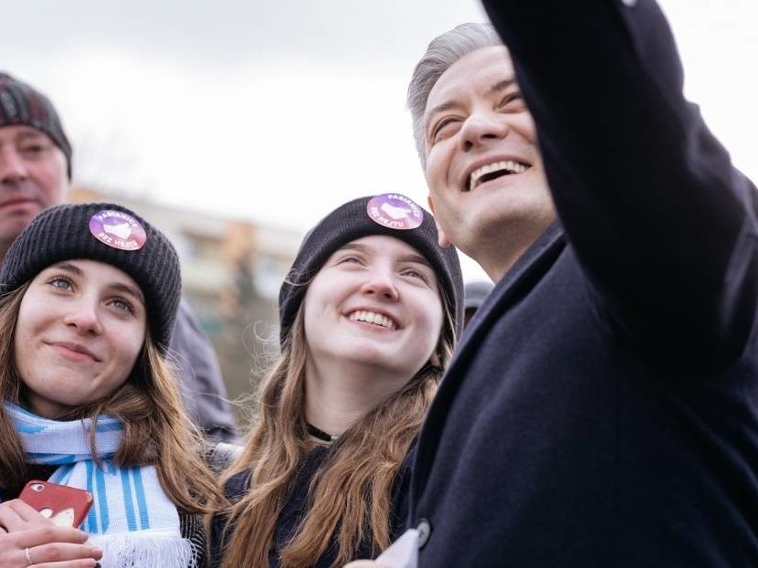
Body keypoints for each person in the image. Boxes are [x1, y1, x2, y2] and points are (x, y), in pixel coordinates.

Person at [358, 2, 756, 566]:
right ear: (437, 216)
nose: (477, 128)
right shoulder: (467, 384)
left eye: (515, 99)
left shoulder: (655, 253)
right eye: (447, 125)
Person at [0, 71, 239, 443]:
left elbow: (215, 454)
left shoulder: (161, 308)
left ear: (66, 169)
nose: (14, 170)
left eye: (33, 148)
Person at [0, 202, 224, 567]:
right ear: (14, 307)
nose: (85, 318)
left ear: (144, 349)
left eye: (120, 304)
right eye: (62, 283)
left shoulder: (205, 500)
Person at [211, 193, 463, 568]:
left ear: (439, 343)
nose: (381, 284)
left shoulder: (456, 476)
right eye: (352, 260)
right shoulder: (224, 496)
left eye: (413, 273)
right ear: (301, 307)